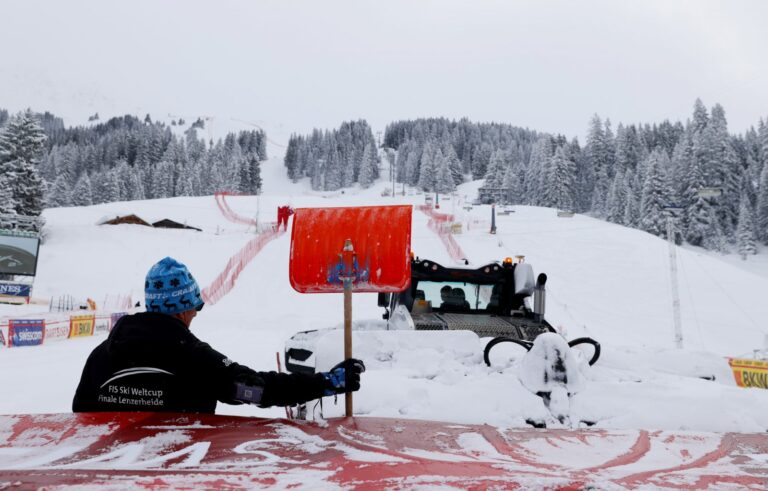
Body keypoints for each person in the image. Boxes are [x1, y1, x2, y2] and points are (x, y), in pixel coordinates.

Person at [72, 257, 364, 413]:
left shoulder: (101, 355)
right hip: (177, 475)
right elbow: (256, 390)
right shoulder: (193, 358)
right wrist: (326, 383)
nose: (195, 315)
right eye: (194, 308)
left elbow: (81, 415)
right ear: (182, 310)